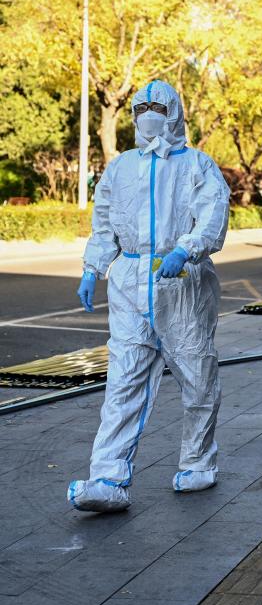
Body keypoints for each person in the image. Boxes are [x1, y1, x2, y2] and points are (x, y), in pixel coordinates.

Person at [70, 80, 230, 512]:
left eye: (157, 105)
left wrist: (187, 248)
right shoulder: (120, 168)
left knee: (196, 376)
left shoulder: (198, 165)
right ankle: (107, 477)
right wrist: (93, 267)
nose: (148, 112)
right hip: (129, 284)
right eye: (140, 106)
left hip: (183, 285)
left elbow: (213, 214)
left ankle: (198, 462)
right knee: (122, 383)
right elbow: (103, 223)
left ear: (174, 111)